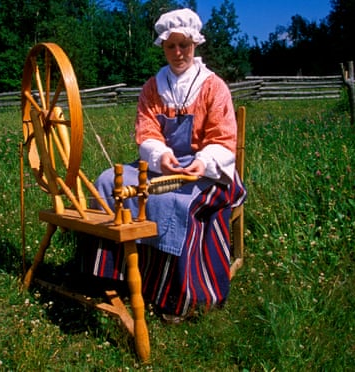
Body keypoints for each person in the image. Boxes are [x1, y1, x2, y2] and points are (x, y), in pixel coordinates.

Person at [79, 8, 246, 322]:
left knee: (174, 202)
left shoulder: (213, 87)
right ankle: (109, 274)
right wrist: (159, 155)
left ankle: (174, 294)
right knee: (105, 182)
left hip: (209, 168)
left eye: (184, 44)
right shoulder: (153, 87)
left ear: (195, 44)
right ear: (163, 47)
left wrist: (202, 161)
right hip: (163, 163)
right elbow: (147, 131)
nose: (178, 52)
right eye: (171, 46)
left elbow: (223, 137)